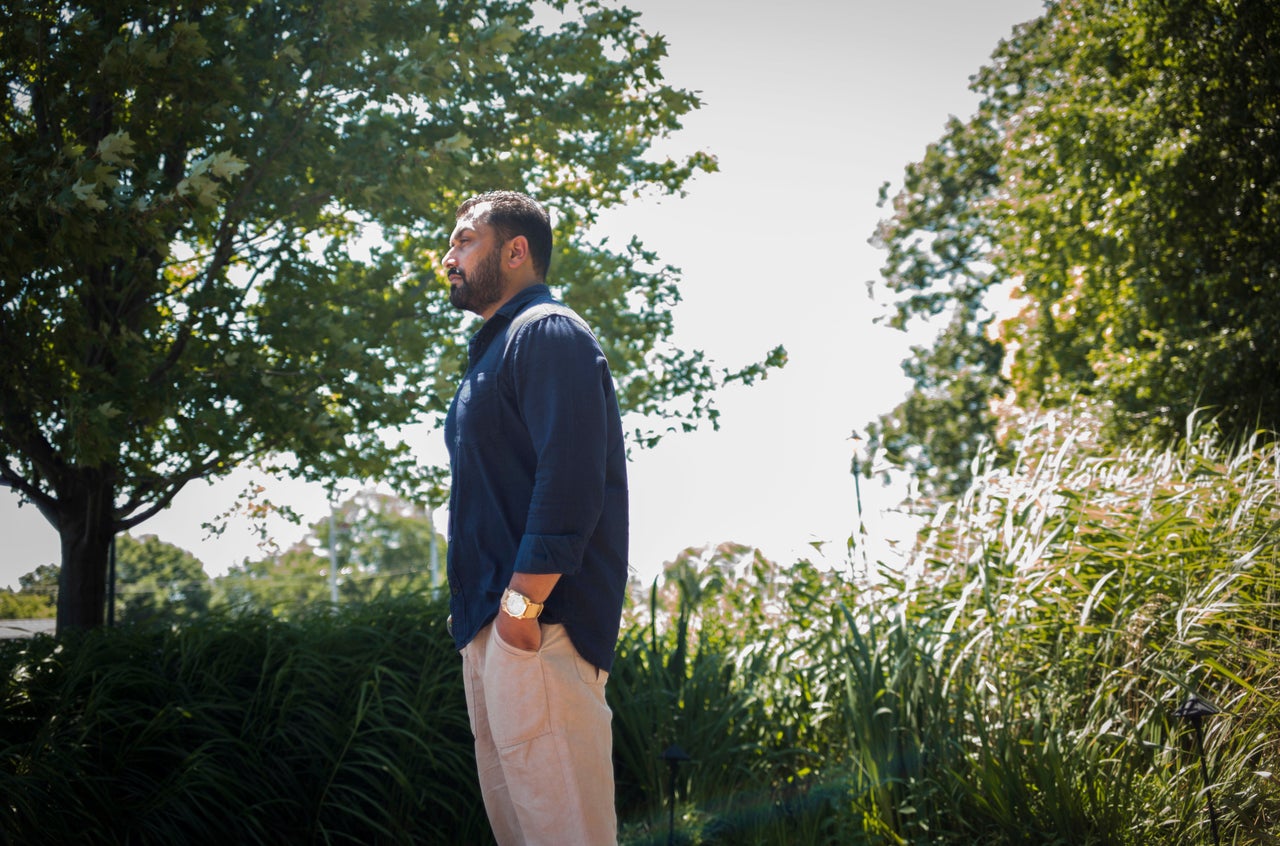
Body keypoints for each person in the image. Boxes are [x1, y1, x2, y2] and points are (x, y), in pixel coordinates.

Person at [441, 190, 628, 845]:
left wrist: (521, 612)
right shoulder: (490, 354)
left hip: (538, 629)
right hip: (493, 634)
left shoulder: (547, 332)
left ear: (516, 251)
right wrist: (483, 631)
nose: (448, 257)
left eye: (464, 240)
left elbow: (572, 478)